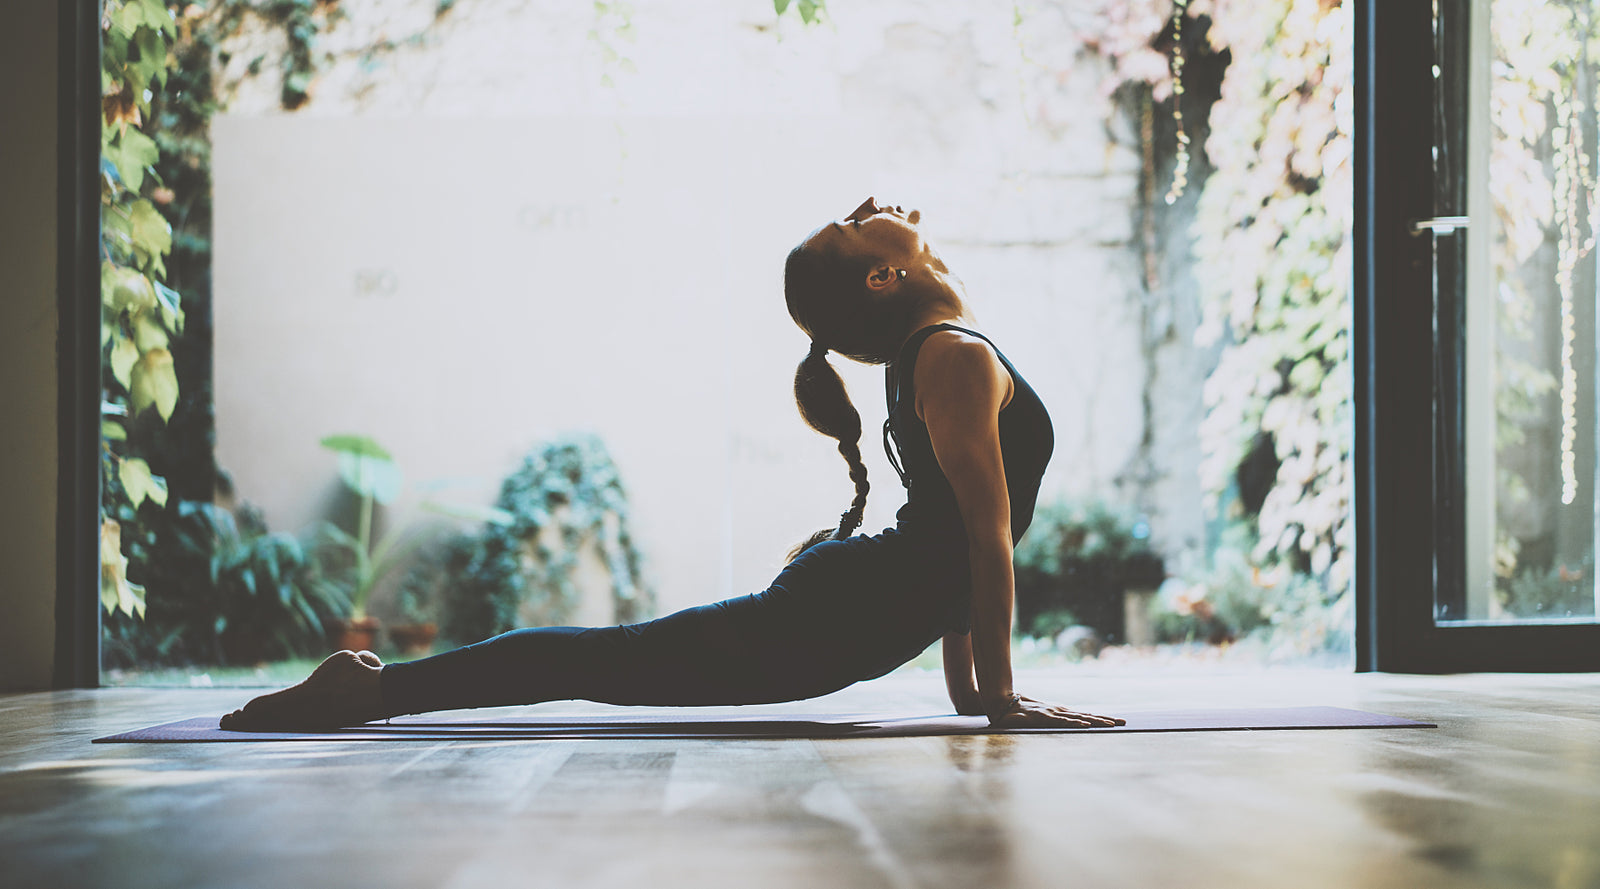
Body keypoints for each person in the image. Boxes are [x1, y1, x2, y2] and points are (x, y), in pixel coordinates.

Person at [220, 197, 1123, 732]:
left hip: (856, 609)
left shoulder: (936, 353)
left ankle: (376, 687)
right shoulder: (952, 355)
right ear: (882, 276)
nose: (883, 207)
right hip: (842, 613)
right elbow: (980, 534)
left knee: (614, 660)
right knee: (608, 660)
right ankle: (373, 687)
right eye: (857, 222)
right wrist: (997, 695)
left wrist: (971, 690)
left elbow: (955, 540)